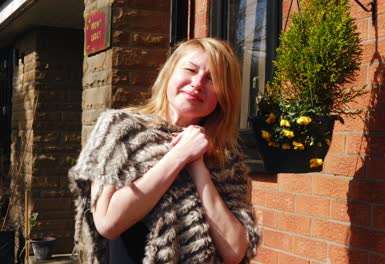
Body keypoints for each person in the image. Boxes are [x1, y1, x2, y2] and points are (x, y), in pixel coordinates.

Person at [69, 38, 259, 264]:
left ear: (223, 96)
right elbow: (108, 222)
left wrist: (198, 165)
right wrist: (178, 156)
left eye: (212, 79)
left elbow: (235, 251)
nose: (197, 83)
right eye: (190, 69)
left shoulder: (226, 158)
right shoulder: (120, 130)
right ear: (169, 73)